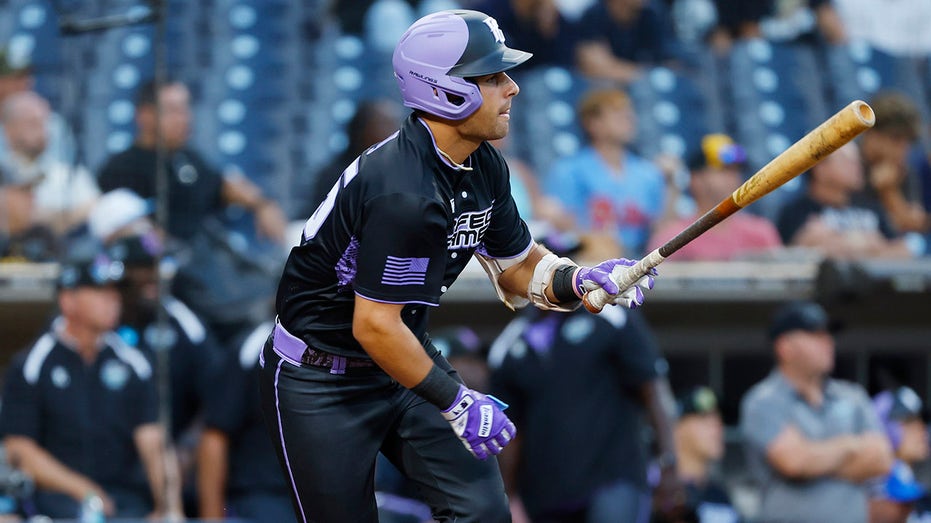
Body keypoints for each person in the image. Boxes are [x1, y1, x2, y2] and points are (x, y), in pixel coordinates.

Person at [261, 9, 655, 522]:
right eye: (492, 77)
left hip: (403, 359)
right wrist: (457, 402)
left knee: (483, 512)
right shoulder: (403, 192)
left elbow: (517, 265)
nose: (512, 88)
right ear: (444, 90)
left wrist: (576, 278)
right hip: (321, 377)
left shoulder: (483, 162)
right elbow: (374, 326)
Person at [0, 249, 182, 519]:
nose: (113, 299)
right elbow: (19, 449)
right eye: (100, 291)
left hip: (124, 501)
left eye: (114, 292)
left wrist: (169, 508)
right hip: (56, 500)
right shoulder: (32, 364)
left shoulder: (134, 362)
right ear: (68, 300)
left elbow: (154, 442)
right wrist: (83, 489)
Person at [487, 285, 684, 523]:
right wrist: (509, 496)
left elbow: (652, 390)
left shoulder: (610, 314)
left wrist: (668, 462)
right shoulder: (508, 344)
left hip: (613, 479)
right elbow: (509, 431)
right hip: (545, 495)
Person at [739, 300, 894, 523]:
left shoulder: (851, 395)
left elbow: (882, 459)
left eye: (827, 335)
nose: (828, 342)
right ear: (785, 347)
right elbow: (795, 461)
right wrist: (851, 445)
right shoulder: (763, 400)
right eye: (816, 335)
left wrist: (814, 460)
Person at [97, 79, 288, 244]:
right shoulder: (121, 168)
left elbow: (222, 185)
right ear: (145, 115)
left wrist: (262, 204)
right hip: (160, 264)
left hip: (205, 258)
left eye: (185, 109)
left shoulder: (188, 158)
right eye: (173, 110)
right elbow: (119, 229)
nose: (184, 119)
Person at [543, 87, 666, 257]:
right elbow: (561, 225)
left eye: (629, 113)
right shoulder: (569, 170)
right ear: (593, 123)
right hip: (589, 260)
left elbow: (662, 230)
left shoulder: (648, 172)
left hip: (641, 259)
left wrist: (671, 185)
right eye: (617, 114)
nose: (628, 118)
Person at [197, 319, 296, 523]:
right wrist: (211, 517)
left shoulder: (343, 344)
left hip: (327, 493)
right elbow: (215, 436)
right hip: (263, 497)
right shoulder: (253, 348)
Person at [647, 134, 782, 261]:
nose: (733, 177)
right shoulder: (674, 238)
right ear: (696, 179)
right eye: (724, 170)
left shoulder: (760, 233)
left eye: (736, 170)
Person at [775, 142, 914, 259]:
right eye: (848, 161)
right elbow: (791, 256)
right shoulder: (797, 211)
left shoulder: (872, 208)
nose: (857, 167)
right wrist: (869, 243)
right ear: (820, 168)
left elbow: (904, 251)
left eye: (858, 161)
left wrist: (841, 242)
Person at [1, 90, 100, 237]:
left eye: (45, 122)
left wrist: (33, 218)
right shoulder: (3, 173)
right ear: (9, 129)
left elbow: (95, 210)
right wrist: (65, 217)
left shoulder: (72, 175)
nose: (43, 130)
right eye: (32, 123)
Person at [300, 98, 403, 217]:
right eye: (386, 124)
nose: (395, 132)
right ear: (363, 129)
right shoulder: (336, 176)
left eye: (397, 124)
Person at [662, 386, 740, 523]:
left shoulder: (719, 495)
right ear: (677, 428)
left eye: (719, 419)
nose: (717, 427)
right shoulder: (659, 491)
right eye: (705, 419)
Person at [858, 91, 928, 236]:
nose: (903, 150)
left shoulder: (903, 169)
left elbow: (914, 223)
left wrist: (888, 191)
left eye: (907, 142)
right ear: (871, 134)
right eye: (896, 139)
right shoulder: (847, 163)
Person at [574, 0, 681, 83]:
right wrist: (644, 74)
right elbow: (595, 68)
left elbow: (673, 63)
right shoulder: (595, 15)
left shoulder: (652, 13)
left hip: (644, 88)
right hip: (609, 88)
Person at [869, 386, 931, 523]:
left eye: (920, 421)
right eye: (908, 423)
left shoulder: (907, 474)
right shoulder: (877, 484)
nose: (921, 429)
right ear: (884, 426)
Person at [472, 0, 581, 69]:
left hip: (537, 85)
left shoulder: (552, 17)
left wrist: (549, 32)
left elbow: (564, 63)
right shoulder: (487, 14)